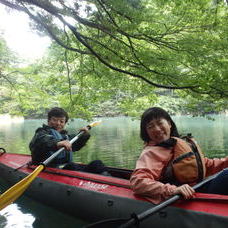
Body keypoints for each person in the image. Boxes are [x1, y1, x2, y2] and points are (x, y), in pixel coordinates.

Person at [130, 107, 228, 204]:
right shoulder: (151, 153)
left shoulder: (178, 143)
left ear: (169, 124)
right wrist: (173, 190)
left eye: (160, 123)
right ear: (146, 132)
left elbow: (206, 165)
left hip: (199, 188)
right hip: (185, 196)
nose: (157, 129)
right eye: (150, 127)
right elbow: (138, 182)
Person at [29, 107, 108, 174]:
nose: (58, 123)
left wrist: (84, 136)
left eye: (61, 121)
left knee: (97, 163)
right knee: (72, 166)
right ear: (48, 121)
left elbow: (76, 146)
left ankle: (107, 180)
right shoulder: (41, 133)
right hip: (48, 170)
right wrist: (58, 143)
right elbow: (43, 141)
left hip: (65, 169)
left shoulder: (65, 137)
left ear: (65, 123)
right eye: (54, 120)